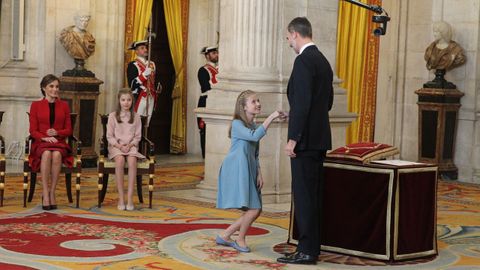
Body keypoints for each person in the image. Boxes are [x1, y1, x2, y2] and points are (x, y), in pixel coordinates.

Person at [277, 17, 334, 265]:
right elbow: (325, 103)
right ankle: (311, 247)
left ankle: (307, 251)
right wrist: (298, 117)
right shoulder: (323, 61)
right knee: (313, 195)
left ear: (295, 34)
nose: (289, 42)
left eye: (288, 37)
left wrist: (293, 138)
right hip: (319, 138)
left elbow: (301, 103)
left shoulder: (303, 61)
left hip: (305, 141)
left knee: (304, 196)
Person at [216, 90, 284, 253]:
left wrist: (259, 172)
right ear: (243, 107)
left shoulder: (252, 125)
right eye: (254, 101)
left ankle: (226, 235)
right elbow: (254, 137)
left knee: (256, 209)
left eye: (258, 100)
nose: (258, 104)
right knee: (253, 209)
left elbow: (255, 152)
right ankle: (240, 239)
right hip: (237, 168)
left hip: (249, 167)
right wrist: (272, 117)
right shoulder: (237, 124)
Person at [29, 74, 73, 210]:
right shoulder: (35, 105)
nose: (55, 89)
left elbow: (69, 130)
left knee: (57, 155)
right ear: (44, 88)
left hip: (59, 143)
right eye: (51, 86)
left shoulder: (64, 105)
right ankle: (45, 193)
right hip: (41, 143)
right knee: (47, 154)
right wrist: (44, 137)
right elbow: (32, 130)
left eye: (57, 86)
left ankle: (52, 192)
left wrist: (57, 133)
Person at [106, 89, 145, 211]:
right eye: (123, 100)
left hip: (131, 146)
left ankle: (130, 197)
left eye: (128, 100)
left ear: (132, 101)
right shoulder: (112, 116)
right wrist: (119, 146)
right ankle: (121, 198)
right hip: (116, 146)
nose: (126, 103)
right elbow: (109, 136)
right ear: (119, 101)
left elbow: (138, 136)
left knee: (132, 161)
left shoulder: (136, 117)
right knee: (120, 161)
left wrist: (130, 145)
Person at [127, 40, 158, 126]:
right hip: (140, 96)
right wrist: (144, 75)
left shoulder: (152, 64)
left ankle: (144, 139)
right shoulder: (133, 65)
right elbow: (132, 84)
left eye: (145, 48)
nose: (145, 50)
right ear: (136, 51)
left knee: (146, 124)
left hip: (151, 96)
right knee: (137, 123)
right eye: (142, 48)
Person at [197, 46, 219, 158]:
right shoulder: (203, 70)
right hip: (206, 101)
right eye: (213, 53)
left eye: (216, 53)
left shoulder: (221, 69)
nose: (216, 55)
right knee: (204, 130)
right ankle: (205, 155)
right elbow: (206, 87)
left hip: (218, 101)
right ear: (207, 56)